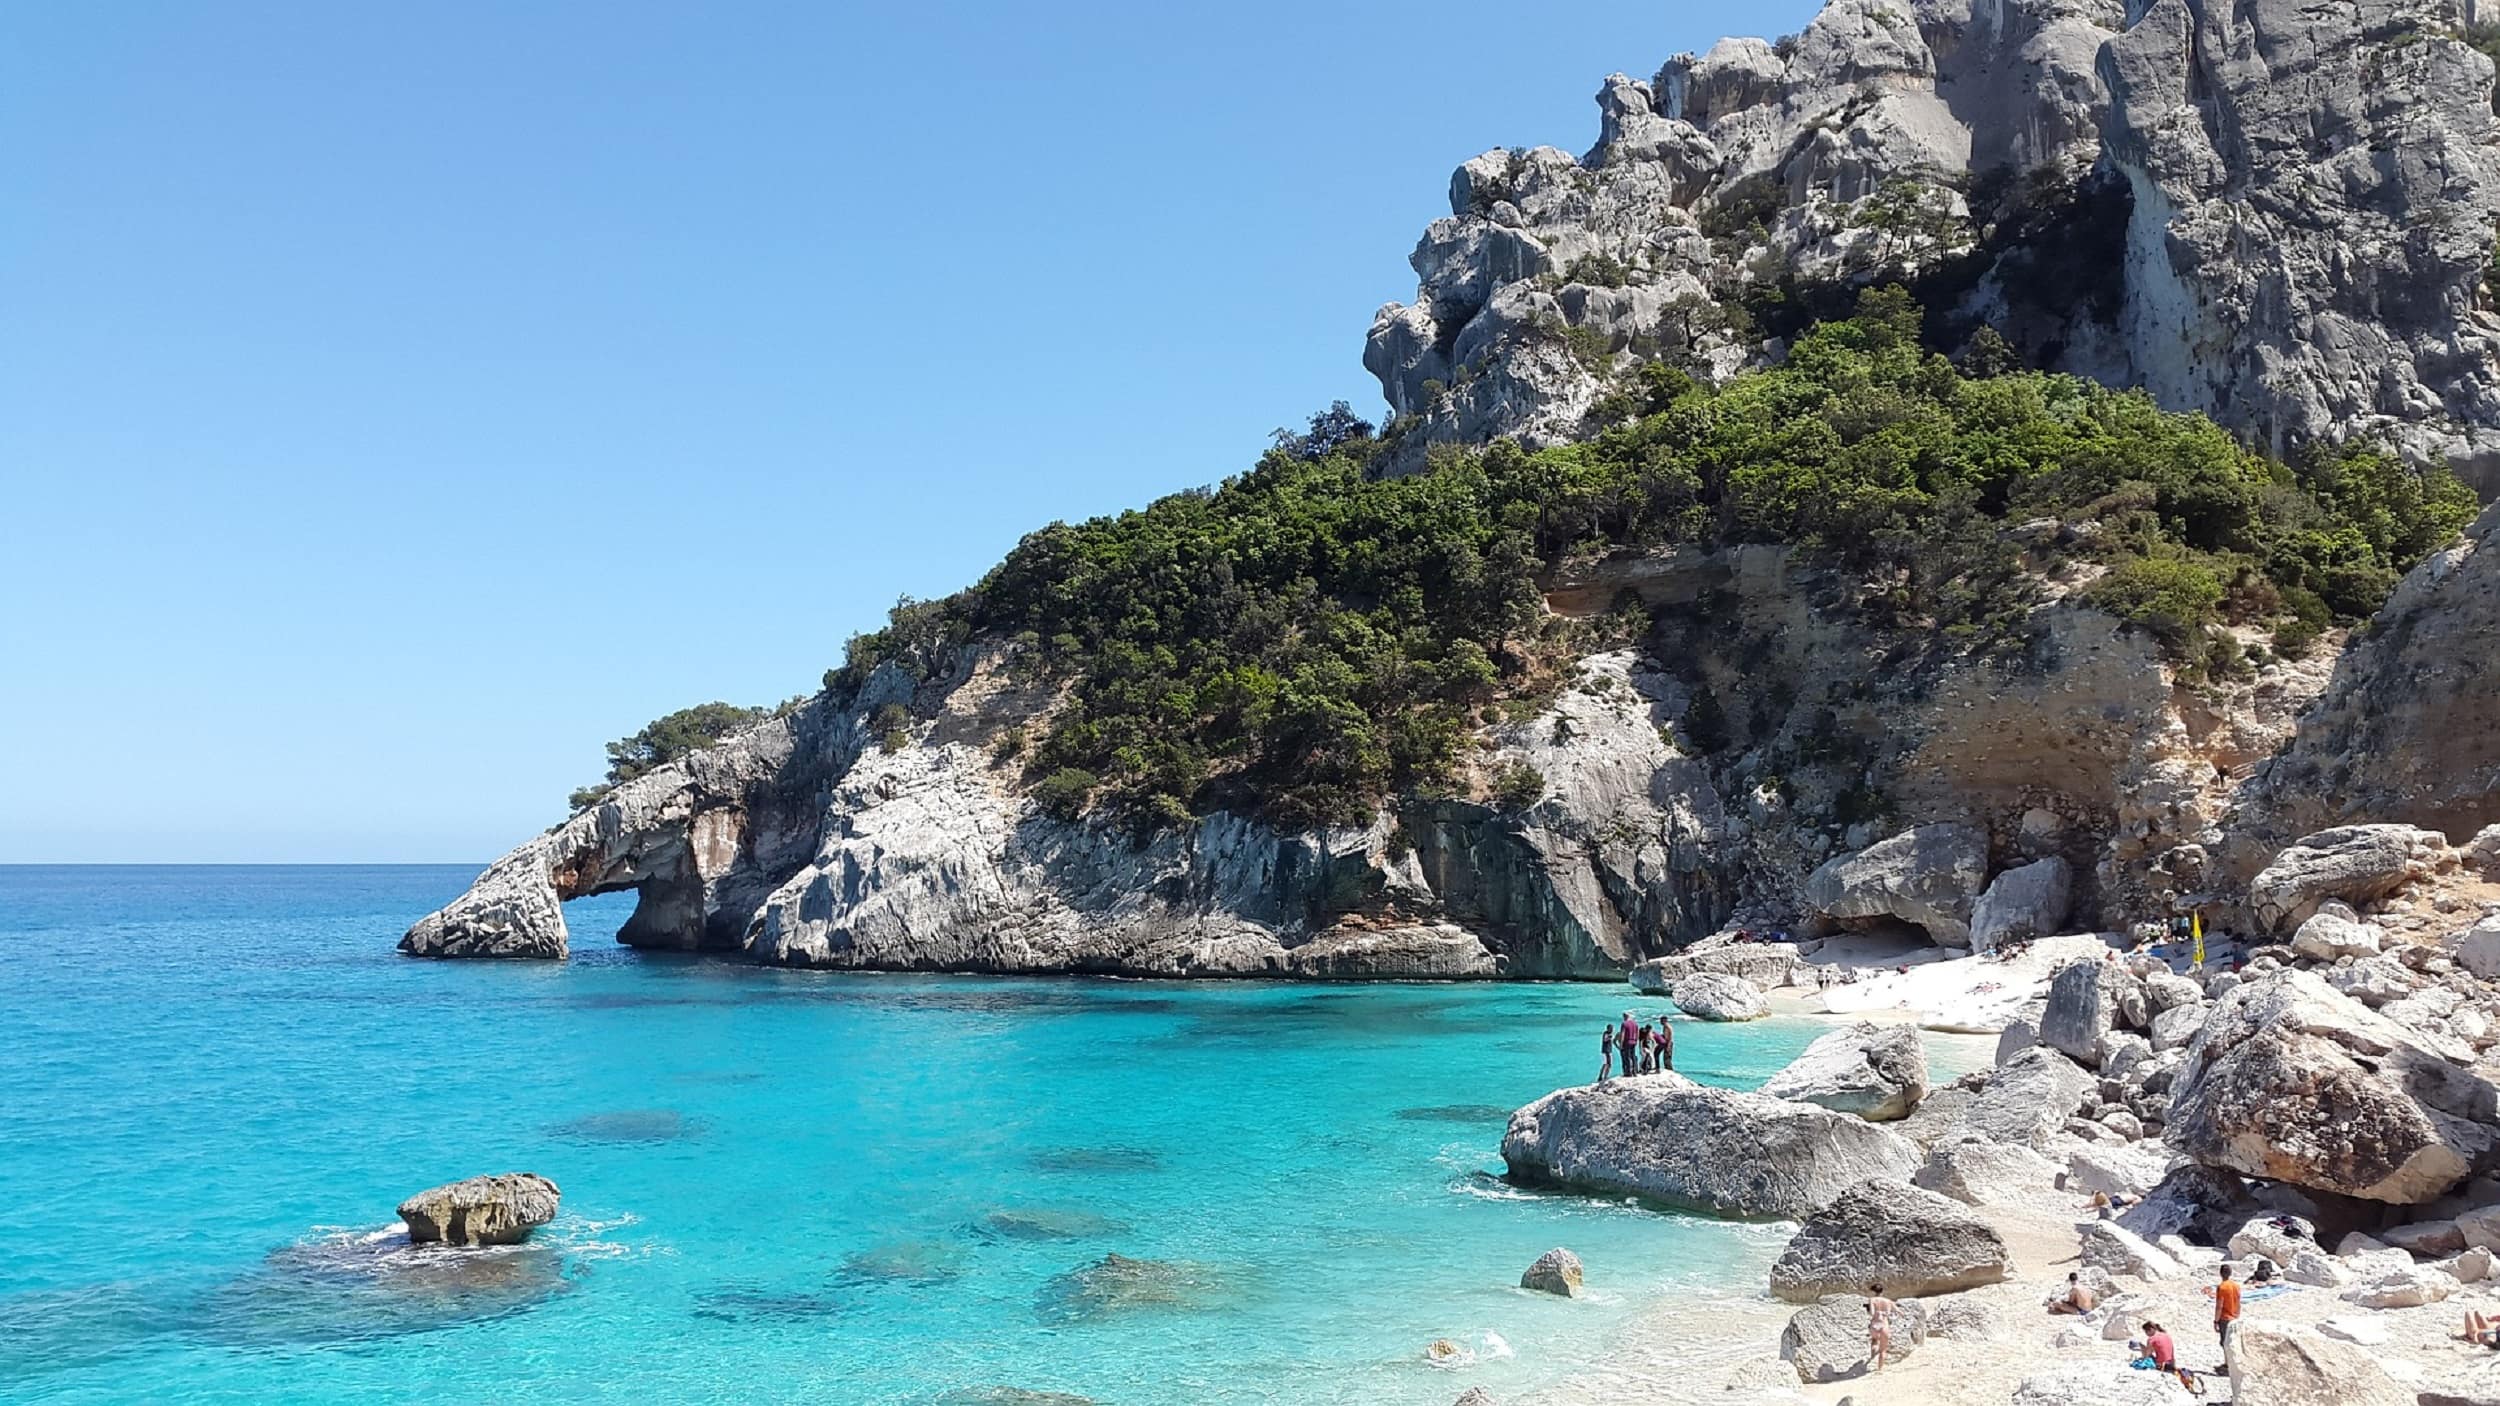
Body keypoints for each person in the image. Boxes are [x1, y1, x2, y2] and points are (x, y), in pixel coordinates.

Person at [2210, 1264, 2241, 1359]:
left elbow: (2219, 1306)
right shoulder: (2236, 1286)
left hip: (2225, 1318)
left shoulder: (2222, 1287)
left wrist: (2216, 1321)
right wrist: (2237, 1315)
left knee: (2225, 1342)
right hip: (2235, 1316)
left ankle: (2227, 1363)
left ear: (2220, 1273)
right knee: (2233, 1342)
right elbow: (2239, 1302)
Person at [1867, 1284, 1895, 1371]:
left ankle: (1873, 1353)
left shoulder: (1872, 1300)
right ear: (1882, 1291)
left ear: (1873, 1291)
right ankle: (1880, 1369)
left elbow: (1872, 1313)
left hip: (1875, 1324)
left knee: (1874, 1339)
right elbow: (1899, 1311)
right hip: (1884, 1325)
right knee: (1883, 1350)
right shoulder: (1888, 1301)